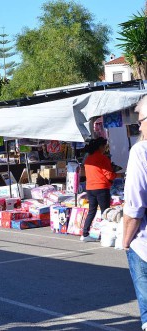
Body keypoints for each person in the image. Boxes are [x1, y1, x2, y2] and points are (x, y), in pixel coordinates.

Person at [124, 97, 147, 331]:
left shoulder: (141, 151)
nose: (138, 127)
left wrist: (125, 240)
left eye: (140, 121)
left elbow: (134, 207)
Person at [81, 137, 116, 242]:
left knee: (91, 211)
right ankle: (105, 235)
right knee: (105, 212)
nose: (105, 148)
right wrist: (118, 174)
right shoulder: (102, 158)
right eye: (105, 146)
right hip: (101, 188)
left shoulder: (88, 159)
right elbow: (109, 175)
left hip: (90, 188)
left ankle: (85, 234)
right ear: (101, 146)